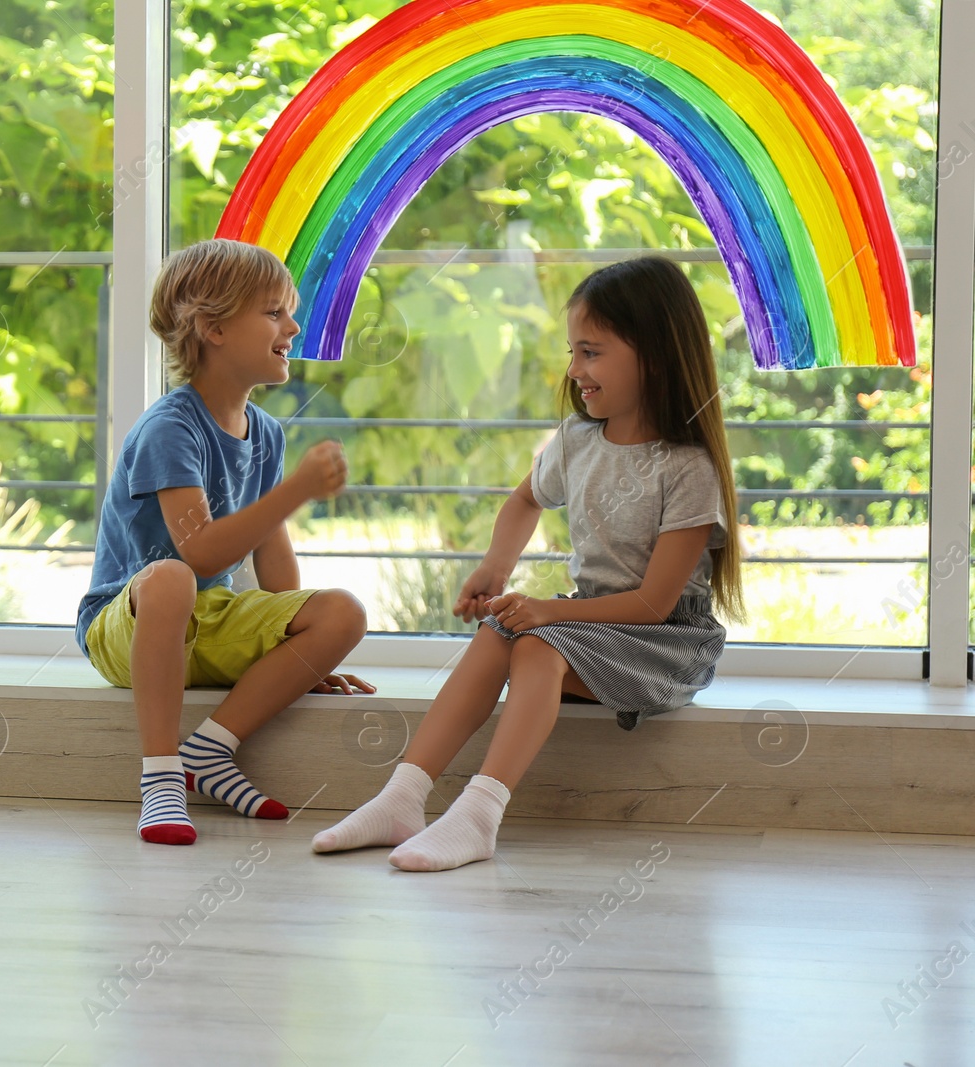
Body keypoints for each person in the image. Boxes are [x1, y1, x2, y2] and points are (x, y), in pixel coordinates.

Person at [311, 255, 746, 871]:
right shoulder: (577, 439)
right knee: (501, 632)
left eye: (591, 352)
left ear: (652, 352)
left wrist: (544, 611)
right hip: (593, 626)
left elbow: (653, 604)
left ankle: (479, 816)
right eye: (573, 352)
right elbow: (524, 499)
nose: (575, 371)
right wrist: (495, 570)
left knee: (538, 644)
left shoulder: (687, 469)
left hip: (665, 639)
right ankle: (403, 798)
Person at [77, 238, 376, 846]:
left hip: (206, 620)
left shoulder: (265, 433)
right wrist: (295, 491)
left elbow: (275, 570)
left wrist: (294, 646)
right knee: (172, 578)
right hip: (128, 622)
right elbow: (202, 552)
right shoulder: (169, 427)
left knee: (342, 611)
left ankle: (210, 751)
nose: (292, 325)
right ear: (212, 328)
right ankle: (161, 778)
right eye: (273, 312)